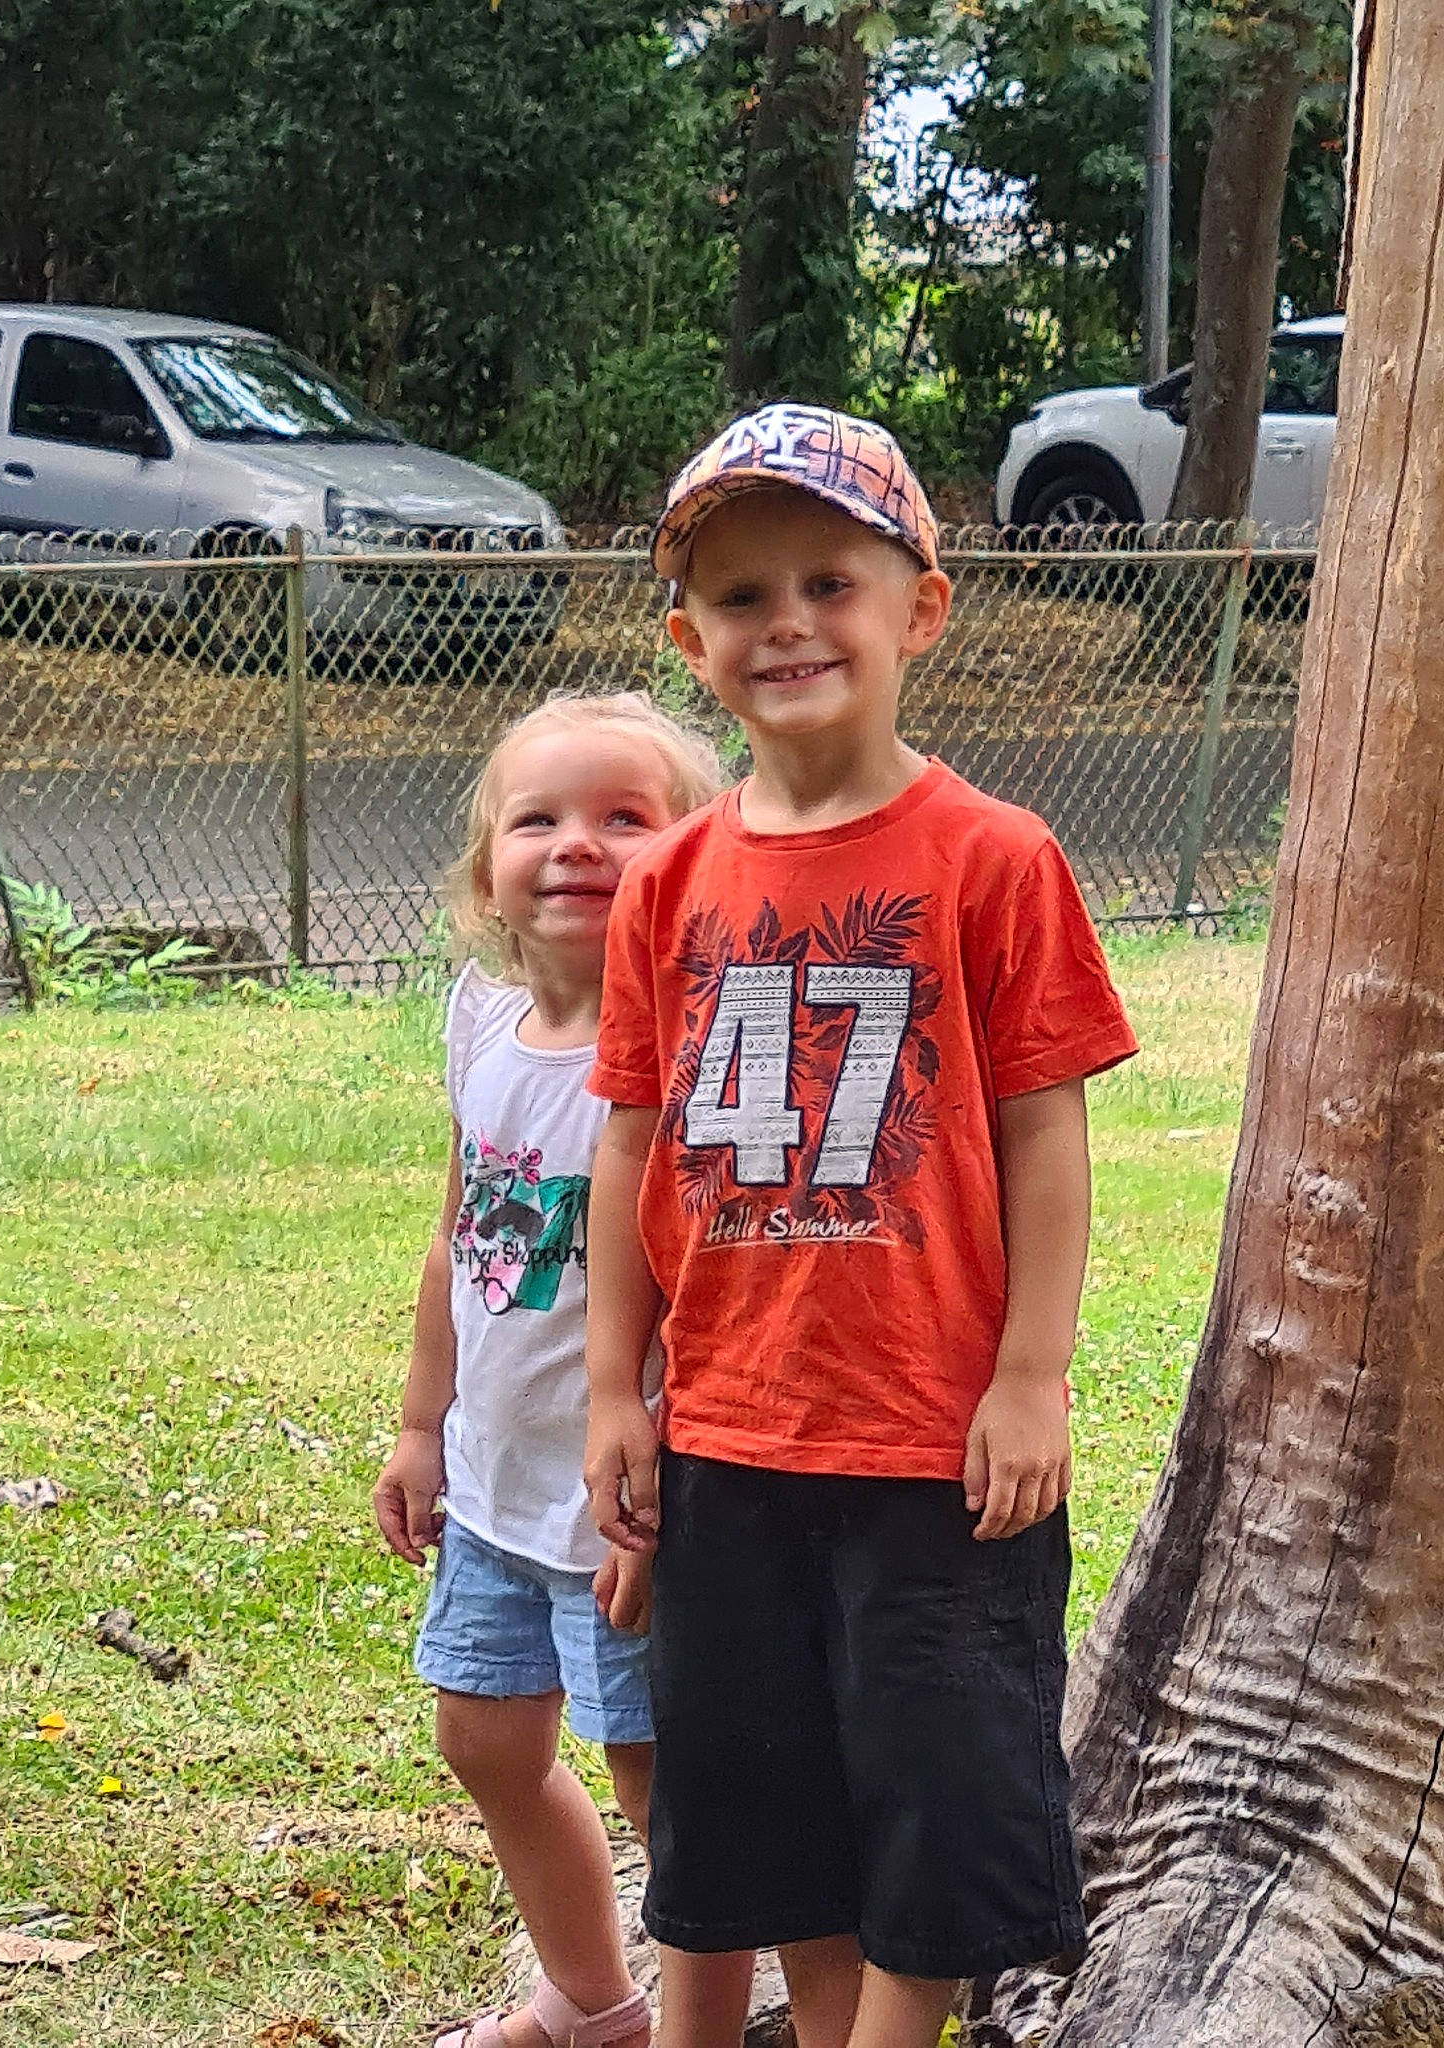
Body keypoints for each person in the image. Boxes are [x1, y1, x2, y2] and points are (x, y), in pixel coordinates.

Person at [582, 406, 1140, 2048]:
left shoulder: (996, 860)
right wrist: (617, 1388)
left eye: (830, 583)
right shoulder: (669, 884)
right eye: (742, 597)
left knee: (940, 1820)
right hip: (732, 1445)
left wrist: (1030, 1373)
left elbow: (1045, 1131)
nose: (789, 626)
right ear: (689, 642)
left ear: (922, 610)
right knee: (777, 1827)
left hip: (935, 1455)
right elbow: (631, 1144)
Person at [373, 693, 751, 2048]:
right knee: (482, 1739)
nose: (578, 844)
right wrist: (423, 1428)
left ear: (696, 858)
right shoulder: (480, 1022)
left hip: (622, 1501)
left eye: (624, 818)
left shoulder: (690, 1053)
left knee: (661, 1785)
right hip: (492, 1488)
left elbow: (718, 1288)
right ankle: (592, 2002)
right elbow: (455, 1234)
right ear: (488, 873)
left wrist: (666, 1472)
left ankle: (706, 2025)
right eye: (538, 818)